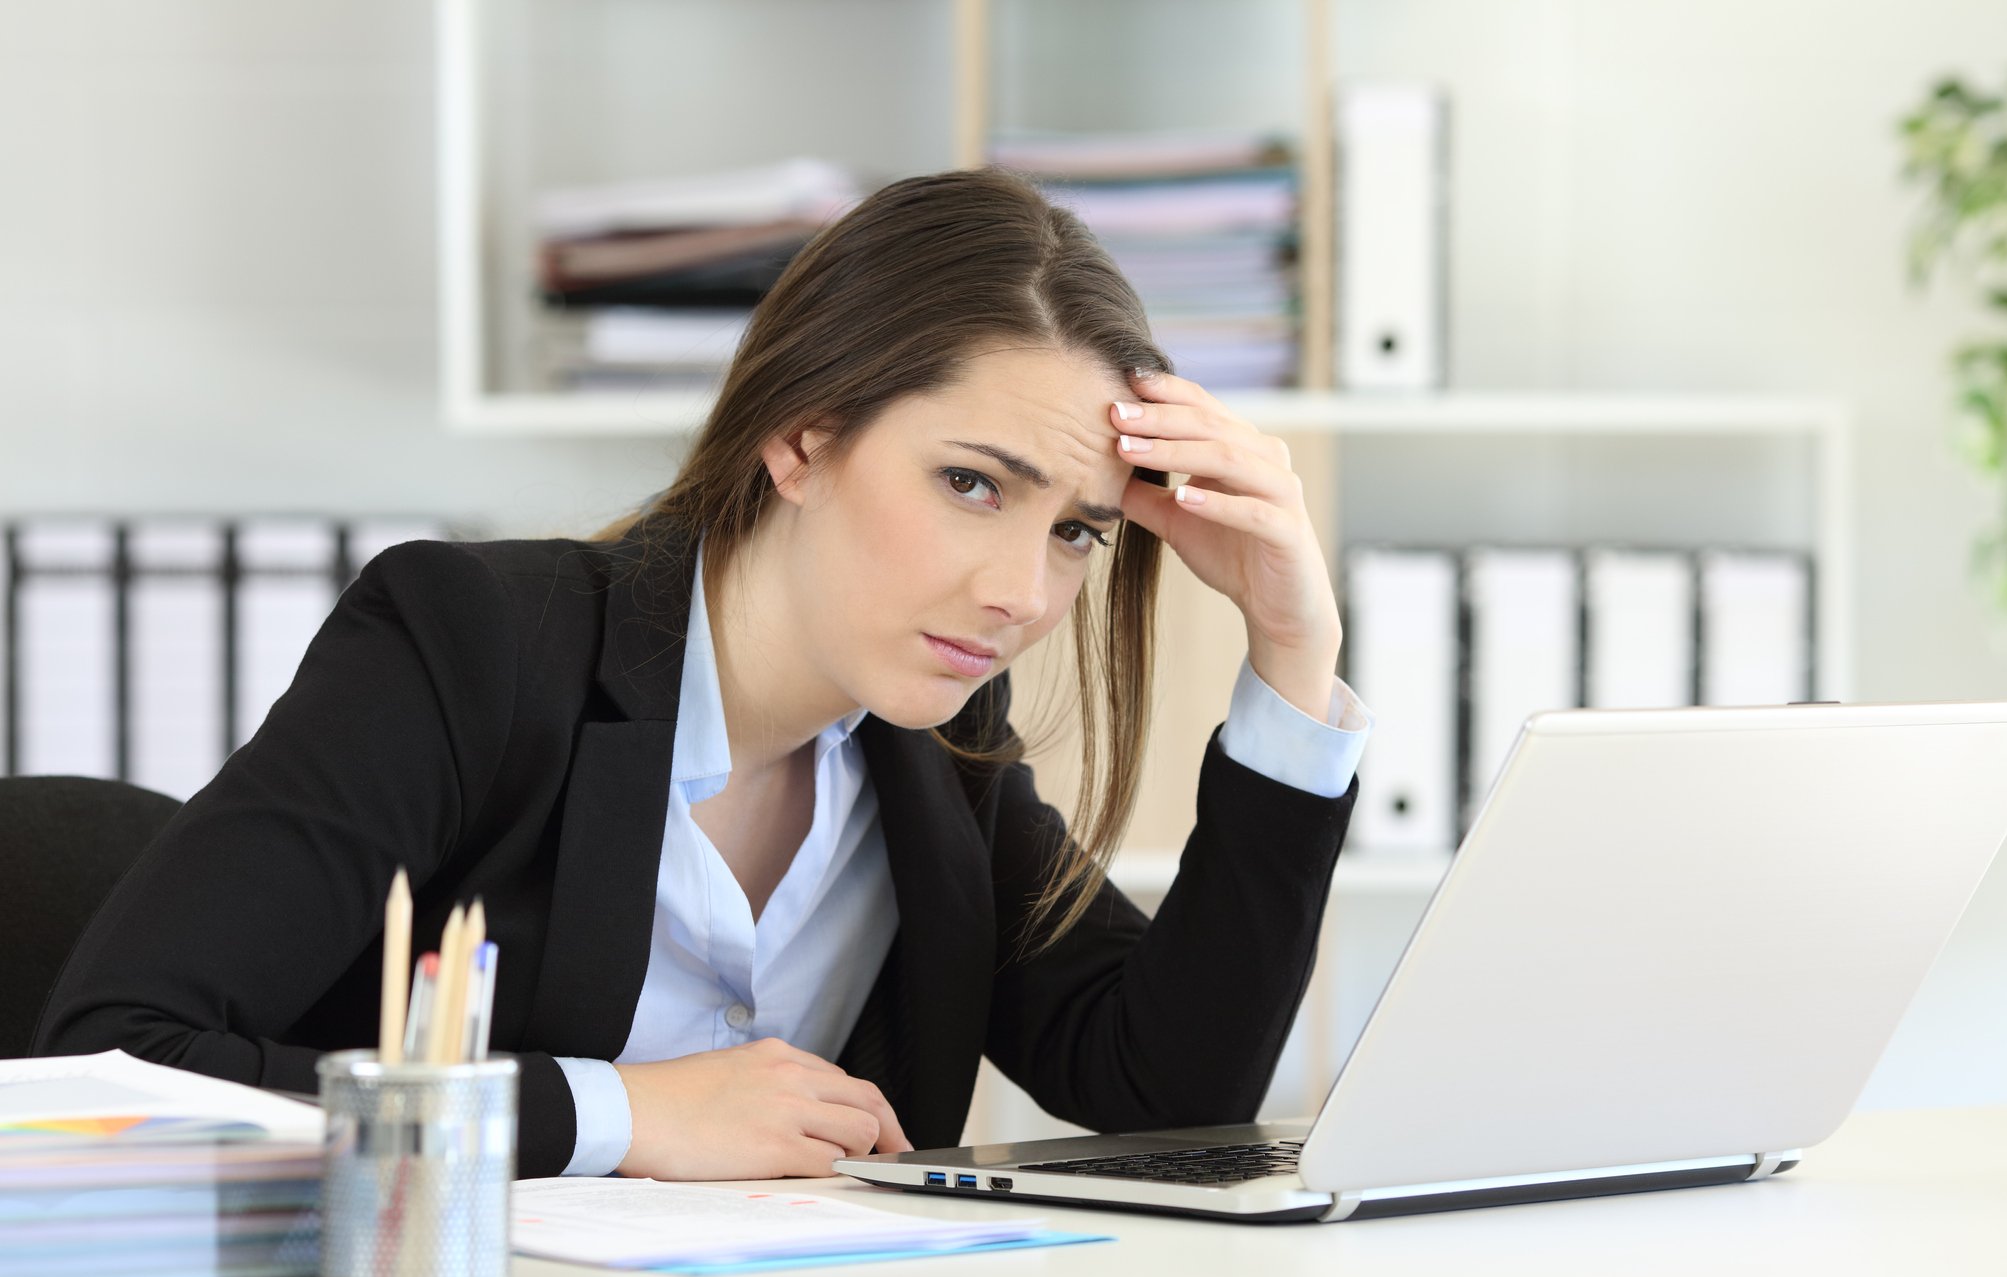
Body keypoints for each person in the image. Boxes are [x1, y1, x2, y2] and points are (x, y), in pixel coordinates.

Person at [34, 167, 1370, 1181]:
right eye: (971, 484)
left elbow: (1169, 1088)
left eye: (1075, 528)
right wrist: (626, 1111)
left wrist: (1292, 654)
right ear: (799, 439)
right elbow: (120, 1056)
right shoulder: (475, 643)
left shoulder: (934, 740)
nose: (1023, 592)